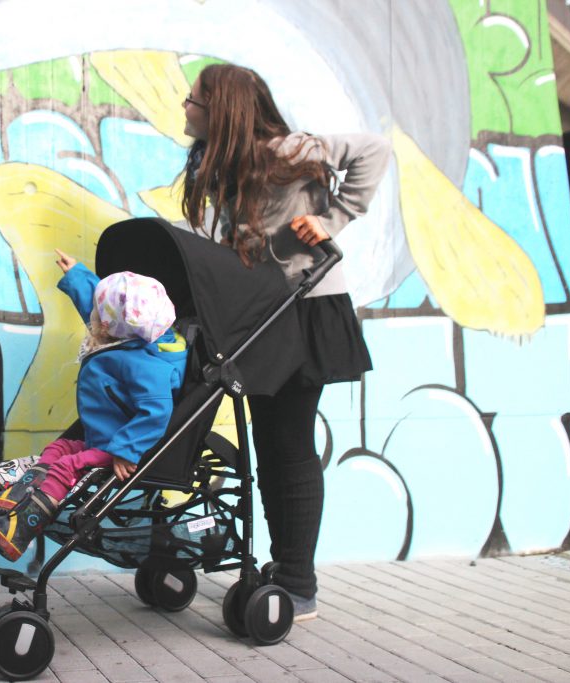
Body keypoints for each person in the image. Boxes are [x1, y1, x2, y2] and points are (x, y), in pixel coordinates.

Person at [181, 64, 391, 621]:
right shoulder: (211, 163)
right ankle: (288, 569)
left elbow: (374, 149)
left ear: (221, 107)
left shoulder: (291, 150)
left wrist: (335, 220)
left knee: (287, 441)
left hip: (306, 308)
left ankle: (298, 581)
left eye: (194, 99)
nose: (185, 105)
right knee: (269, 441)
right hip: (260, 313)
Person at [0, 251, 188, 561]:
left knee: (67, 465)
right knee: (57, 449)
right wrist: (78, 276)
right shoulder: (126, 335)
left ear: (111, 326)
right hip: (101, 436)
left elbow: (156, 412)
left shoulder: (146, 365)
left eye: (101, 316)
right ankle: (14, 502)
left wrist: (125, 449)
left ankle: (21, 528)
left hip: (117, 447)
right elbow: (102, 308)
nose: (94, 319)